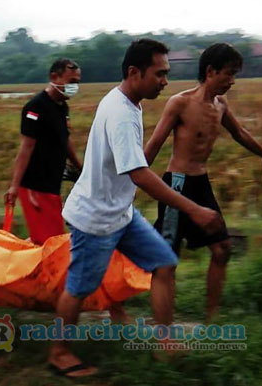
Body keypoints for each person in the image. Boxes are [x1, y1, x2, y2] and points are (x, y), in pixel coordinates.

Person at [53, 39, 224, 378]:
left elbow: (136, 166)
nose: (165, 81)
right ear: (134, 72)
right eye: (159, 74)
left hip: (121, 213)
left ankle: (164, 342)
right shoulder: (120, 113)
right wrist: (194, 209)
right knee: (79, 287)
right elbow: (139, 174)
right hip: (96, 219)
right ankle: (58, 352)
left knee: (164, 263)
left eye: (167, 74)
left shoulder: (129, 103)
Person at [144, 43, 262, 322]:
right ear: (210, 71)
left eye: (235, 75)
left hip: (201, 183)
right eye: (228, 74)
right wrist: (128, 179)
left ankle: (210, 318)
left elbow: (239, 132)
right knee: (167, 258)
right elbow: (154, 145)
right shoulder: (180, 103)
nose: (232, 81)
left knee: (222, 249)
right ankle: (162, 329)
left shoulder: (220, 105)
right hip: (177, 185)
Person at [4, 59, 83, 245]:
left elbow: (65, 139)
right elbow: (26, 147)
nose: (74, 87)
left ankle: (24, 267)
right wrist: (14, 186)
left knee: (46, 240)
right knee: (51, 243)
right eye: (71, 82)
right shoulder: (35, 107)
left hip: (52, 185)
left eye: (77, 83)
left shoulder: (63, 107)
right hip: (35, 187)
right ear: (54, 77)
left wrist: (81, 168)